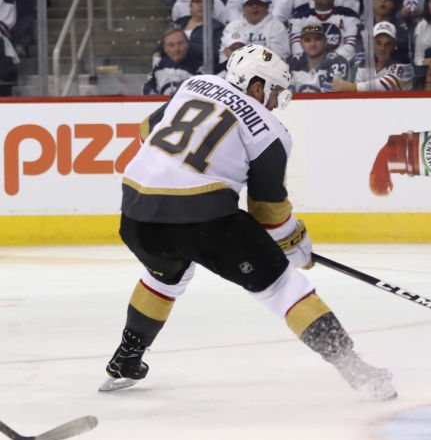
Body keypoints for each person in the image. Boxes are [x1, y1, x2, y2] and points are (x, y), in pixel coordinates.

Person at [102, 44, 395, 400]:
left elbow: (147, 127)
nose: (274, 103)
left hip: (136, 212)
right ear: (257, 87)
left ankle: (125, 360)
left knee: (165, 272)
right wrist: (295, 244)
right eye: (273, 92)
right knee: (284, 286)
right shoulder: (271, 131)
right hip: (202, 219)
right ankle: (356, 369)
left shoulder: (195, 84)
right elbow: (268, 212)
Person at [336, 21, 414, 92]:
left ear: (394, 46)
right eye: (378, 43)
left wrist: (352, 87)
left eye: (388, 44)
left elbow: (387, 85)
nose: (382, 48)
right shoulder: (362, 63)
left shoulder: (404, 65)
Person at [220, 0, 290, 64]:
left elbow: (278, 57)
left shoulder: (277, 27)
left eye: (259, 4)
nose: (254, 7)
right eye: (250, 4)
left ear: (267, 7)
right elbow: (224, 55)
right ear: (244, 8)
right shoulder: (233, 27)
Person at [288, 23, 354, 92]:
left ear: (325, 41)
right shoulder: (292, 62)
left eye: (317, 39)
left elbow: (332, 95)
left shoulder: (338, 62)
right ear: (301, 43)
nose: (312, 44)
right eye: (307, 40)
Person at [142, 28, 204, 96]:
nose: (176, 49)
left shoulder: (199, 69)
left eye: (180, 43)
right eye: (171, 45)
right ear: (165, 48)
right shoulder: (158, 67)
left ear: (187, 44)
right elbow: (147, 91)